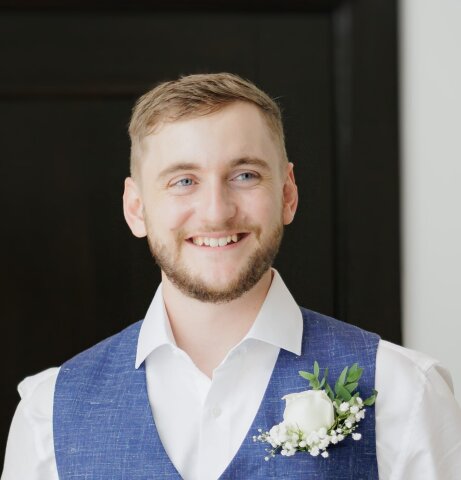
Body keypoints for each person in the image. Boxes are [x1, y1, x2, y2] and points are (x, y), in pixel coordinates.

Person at [2, 73, 461, 480]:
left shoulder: (405, 390)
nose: (217, 212)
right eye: (184, 181)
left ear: (288, 194)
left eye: (244, 175)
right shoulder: (48, 411)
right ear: (136, 208)